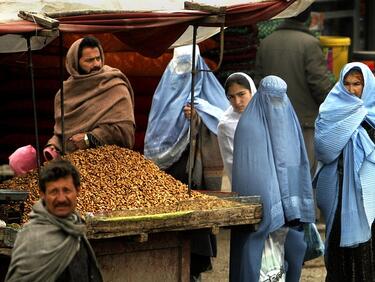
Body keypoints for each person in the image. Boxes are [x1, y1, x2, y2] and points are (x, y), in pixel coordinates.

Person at [144, 45, 229, 281]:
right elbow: (156, 129)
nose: (183, 71)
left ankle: (193, 271)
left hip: (194, 172)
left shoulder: (208, 90)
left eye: (189, 65)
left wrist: (199, 120)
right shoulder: (165, 91)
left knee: (194, 222)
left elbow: (226, 122)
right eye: (179, 64)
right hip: (167, 172)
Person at [230, 75, 315, 281]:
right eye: (271, 100)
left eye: (279, 99)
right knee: (253, 263)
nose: (275, 105)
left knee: (291, 256)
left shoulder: (290, 121)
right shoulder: (249, 126)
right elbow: (254, 176)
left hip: (289, 216)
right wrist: (273, 208)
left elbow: (297, 166)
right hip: (262, 212)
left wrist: (293, 206)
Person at [254, 6, 334, 175]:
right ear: (307, 17)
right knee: (302, 175)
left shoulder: (266, 42)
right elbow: (319, 84)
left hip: (271, 121)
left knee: (277, 174)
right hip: (303, 122)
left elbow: (258, 83)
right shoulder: (310, 44)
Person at [314, 62, 375, 281]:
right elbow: (324, 150)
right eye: (347, 84)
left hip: (370, 197)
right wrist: (350, 123)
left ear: (366, 85)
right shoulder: (330, 111)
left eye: (357, 84)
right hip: (340, 196)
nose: (351, 89)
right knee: (341, 252)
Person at [5, 159, 103, 282]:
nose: (61, 198)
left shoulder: (76, 226)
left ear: (77, 191)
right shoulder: (31, 238)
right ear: (43, 195)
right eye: (54, 192)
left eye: (66, 190)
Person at [44, 36, 135, 160]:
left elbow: (125, 131)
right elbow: (62, 133)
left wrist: (90, 138)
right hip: (73, 166)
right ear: (75, 63)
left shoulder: (115, 85)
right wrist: (54, 144)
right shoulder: (64, 94)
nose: (96, 64)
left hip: (111, 163)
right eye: (89, 60)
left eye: (98, 58)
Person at [217, 72, 257, 183]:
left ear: (251, 92)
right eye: (231, 97)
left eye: (241, 94)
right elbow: (232, 163)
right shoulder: (226, 125)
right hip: (247, 182)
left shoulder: (264, 114)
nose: (237, 102)